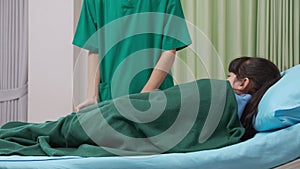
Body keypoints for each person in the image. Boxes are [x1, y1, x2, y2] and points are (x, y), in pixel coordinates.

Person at [0, 57, 281, 157]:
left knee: (50, 130)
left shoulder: (215, 92)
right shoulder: (239, 123)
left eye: (231, 76)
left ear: (243, 83)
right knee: (48, 131)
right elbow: (165, 106)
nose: (226, 80)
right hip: (123, 115)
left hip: (117, 119)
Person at [72, 0, 192, 111]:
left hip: (154, 99)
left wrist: (145, 95)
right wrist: (92, 96)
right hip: (111, 100)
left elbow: (169, 50)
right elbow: (95, 49)